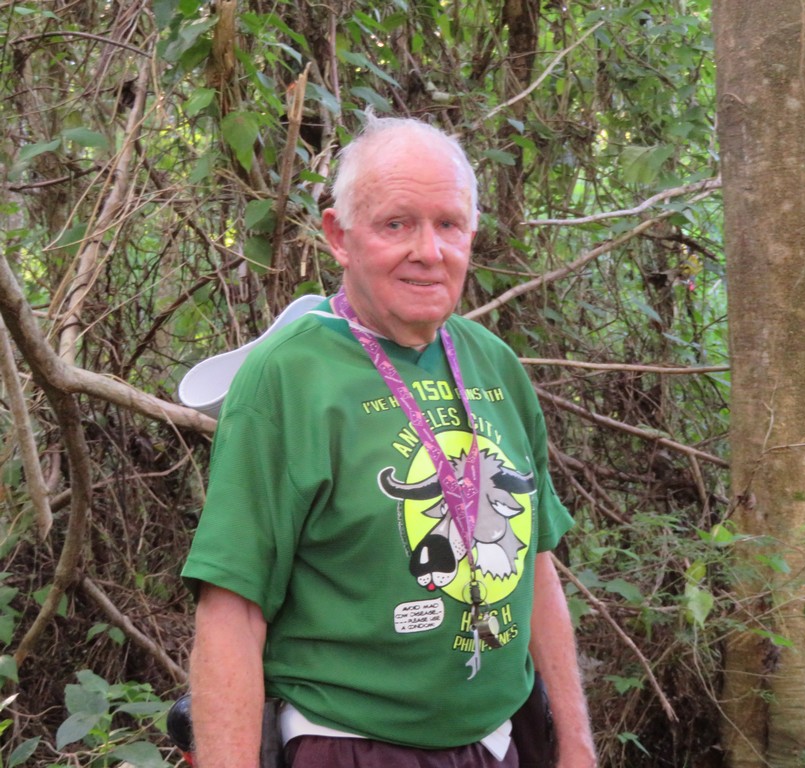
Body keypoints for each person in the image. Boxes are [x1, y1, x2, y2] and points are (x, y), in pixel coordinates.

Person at [182, 114, 597, 768]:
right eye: (396, 224)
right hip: (351, 744)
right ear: (338, 236)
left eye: (449, 224)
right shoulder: (289, 377)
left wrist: (576, 744)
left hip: (502, 739)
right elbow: (232, 609)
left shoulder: (493, 364)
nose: (428, 251)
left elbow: (536, 564)